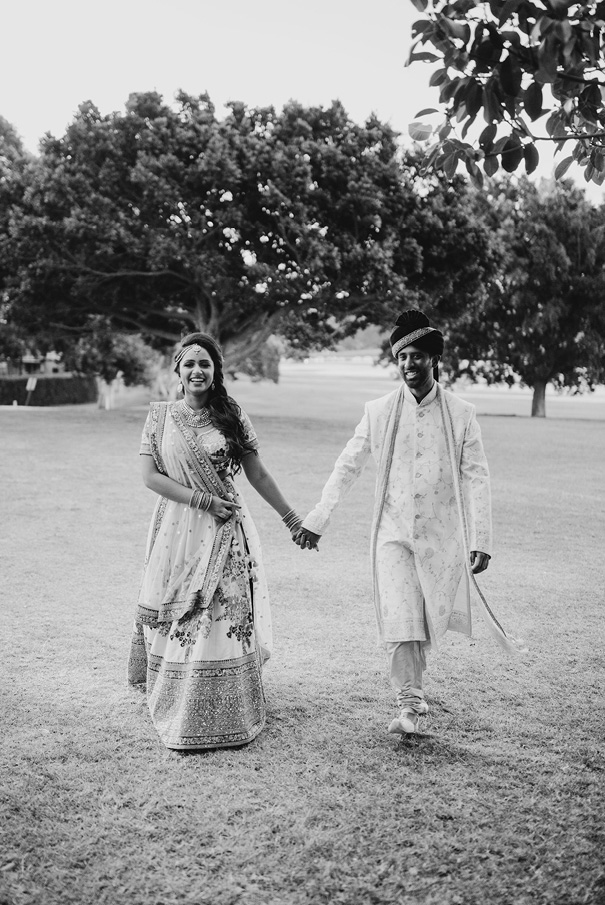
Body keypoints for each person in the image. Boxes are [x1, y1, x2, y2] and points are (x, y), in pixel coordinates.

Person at [294, 309, 522, 736]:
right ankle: (409, 704)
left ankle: (414, 689)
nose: (408, 364)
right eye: (402, 357)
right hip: (392, 534)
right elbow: (348, 465)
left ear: (433, 359)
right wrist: (318, 518)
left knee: (426, 616)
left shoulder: (461, 414)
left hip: (442, 537)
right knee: (401, 615)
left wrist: (482, 539)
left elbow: (477, 476)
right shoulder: (379, 411)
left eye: (417, 356)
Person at [128, 333, 302, 750]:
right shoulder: (160, 417)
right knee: (181, 610)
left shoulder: (231, 415)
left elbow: (257, 473)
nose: (197, 371)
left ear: (215, 371)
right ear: (178, 370)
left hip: (226, 531)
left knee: (221, 611)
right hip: (177, 526)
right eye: (189, 363)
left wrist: (291, 518)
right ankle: (177, 691)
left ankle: (226, 700)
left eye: (205, 363)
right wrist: (202, 500)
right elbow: (150, 477)